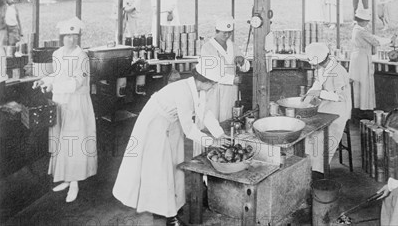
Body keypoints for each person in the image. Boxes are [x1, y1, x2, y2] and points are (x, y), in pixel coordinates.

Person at [112, 59, 227, 226]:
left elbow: (204, 112)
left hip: (171, 123)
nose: (214, 86)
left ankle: (174, 206)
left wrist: (220, 134)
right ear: (204, 81)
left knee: (175, 163)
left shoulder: (196, 88)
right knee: (161, 169)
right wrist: (211, 142)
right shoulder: (184, 92)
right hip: (155, 124)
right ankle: (165, 214)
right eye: (213, 83)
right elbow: (189, 130)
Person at [32, 17, 97, 203]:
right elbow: (56, 75)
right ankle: (67, 179)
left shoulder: (82, 56)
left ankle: (75, 182)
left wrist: (55, 87)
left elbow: (77, 82)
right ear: (62, 37)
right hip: (60, 102)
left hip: (76, 104)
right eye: (68, 36)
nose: (71, 39)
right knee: (61, 139)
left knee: (74, 142)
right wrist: (44, 81)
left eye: (74, 36)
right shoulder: (58, 54)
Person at [303, 42, 352, 174]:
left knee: (320, 138)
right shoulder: (323, 68)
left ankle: (318, 170)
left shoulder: (338, 71)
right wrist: (307, 97)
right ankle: (311, 166)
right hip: (327, 108)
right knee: (310, 134)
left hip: (339, 111)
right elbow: (317, 85)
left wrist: (320, 94)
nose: (312, 64)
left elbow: (341, 97)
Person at [200, 18, 250, 122]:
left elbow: (245, 68)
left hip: (231, 90)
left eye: (229, 33)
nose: (226, 36)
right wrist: (231, 80)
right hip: (214, 89)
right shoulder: (207, 48)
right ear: (216, 31)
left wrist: (242, 61)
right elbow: (209, 73)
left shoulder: (233, 46)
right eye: (224, 33)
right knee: (213, 118)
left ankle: (227, 137)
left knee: (229, 118)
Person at [348, 7, 380, 113]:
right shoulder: (360, 31)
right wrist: (389, 40)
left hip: (358, 58)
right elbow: (374, 41)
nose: (367, 22)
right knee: (363, 84)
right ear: (362, 21)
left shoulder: (357, 29)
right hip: (361, 60)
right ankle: (363, 109)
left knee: (360, 84)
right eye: (366, 20)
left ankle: (360, 108)